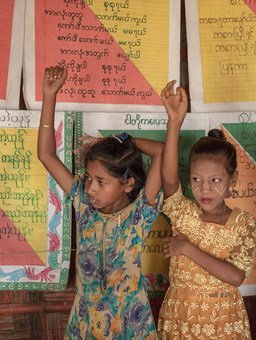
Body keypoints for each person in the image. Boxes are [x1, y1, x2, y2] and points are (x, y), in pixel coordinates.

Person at [38, 66, 164, 339]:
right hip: (86, 324)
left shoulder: (140, 214)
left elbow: (161, 150)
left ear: (128, 184)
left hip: (129, 325)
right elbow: (46, 155)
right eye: (89, 179)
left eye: (101, 182)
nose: (91, 188)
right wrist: (50, 96)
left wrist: (120, 140)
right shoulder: (82, 204)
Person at [156, 80, 256, 339]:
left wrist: (187, 248)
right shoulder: (184, 212)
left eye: (215, 181)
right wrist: (174, 123)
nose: (204, 189)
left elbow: (235, 276)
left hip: (222, 320)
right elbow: (168, 180)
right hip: (180, 316)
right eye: (196, 180)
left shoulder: (242, 222)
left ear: (232, 181)